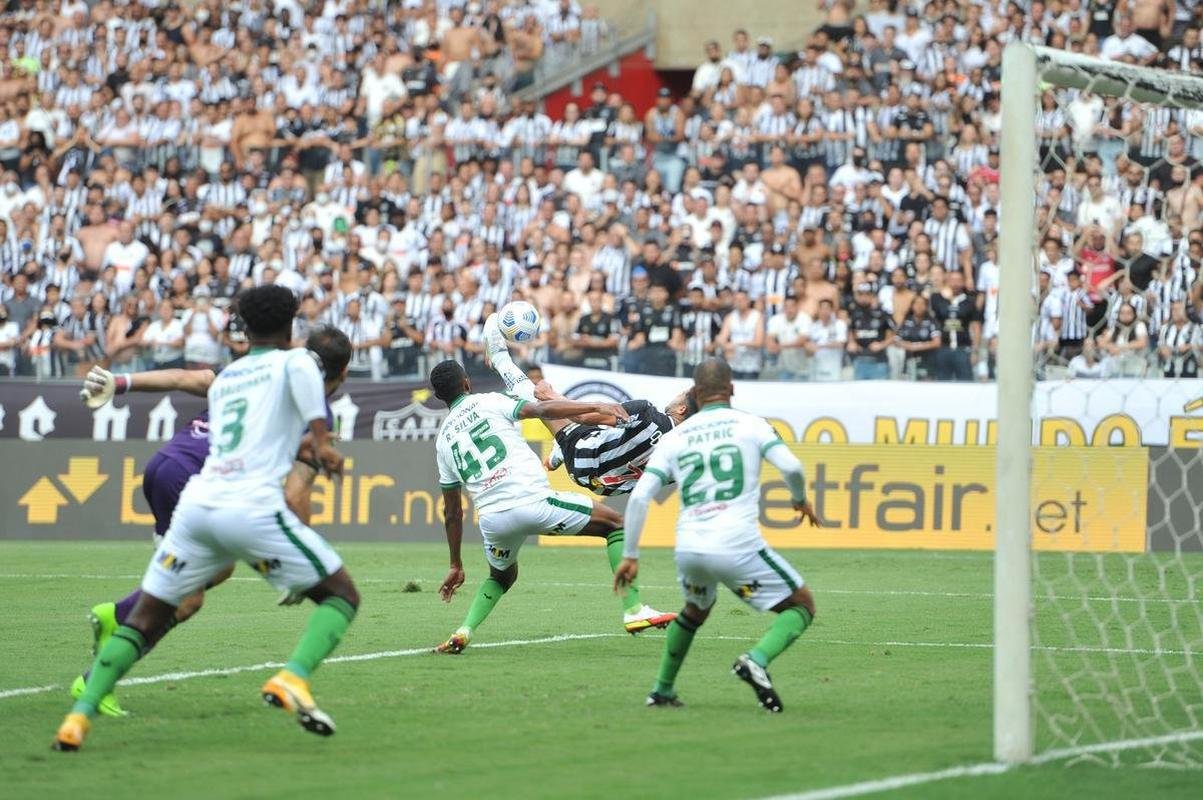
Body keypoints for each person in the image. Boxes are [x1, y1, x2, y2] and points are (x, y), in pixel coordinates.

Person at [54, 287, 358, 750]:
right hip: (249, 504)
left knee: (148, 616)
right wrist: (325, 446)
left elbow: (187, 381)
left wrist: (120, 383)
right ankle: (293, 678)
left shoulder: (231, 373)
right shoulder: (297, 362)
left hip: (197, 504)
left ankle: (78, 716)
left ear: (243, 328)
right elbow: (312, 426)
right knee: (341, 597)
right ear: (289, 328)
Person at [613, 359, 821, 712]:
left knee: (694, 611)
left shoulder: (674, 437)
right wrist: (799, 500)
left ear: (695, 393)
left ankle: (661, 690)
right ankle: (755, 660)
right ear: (733, 389)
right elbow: (791, 467)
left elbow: (640, 496)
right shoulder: (752, 425)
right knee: (802, 605)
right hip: (735, 542)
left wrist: (631, 554)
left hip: (690, 547)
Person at [429, 358, 672, 654]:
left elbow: (452, 512)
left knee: (501, 577)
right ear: (467, 382)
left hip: (493, 520)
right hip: (531, 501)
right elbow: (541, 410)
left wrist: (456, 564)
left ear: (439, 396)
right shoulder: (487, 402)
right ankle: (634, 609)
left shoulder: (442, 441)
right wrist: (595, 406)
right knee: (615, 524)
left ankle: (464, 630)